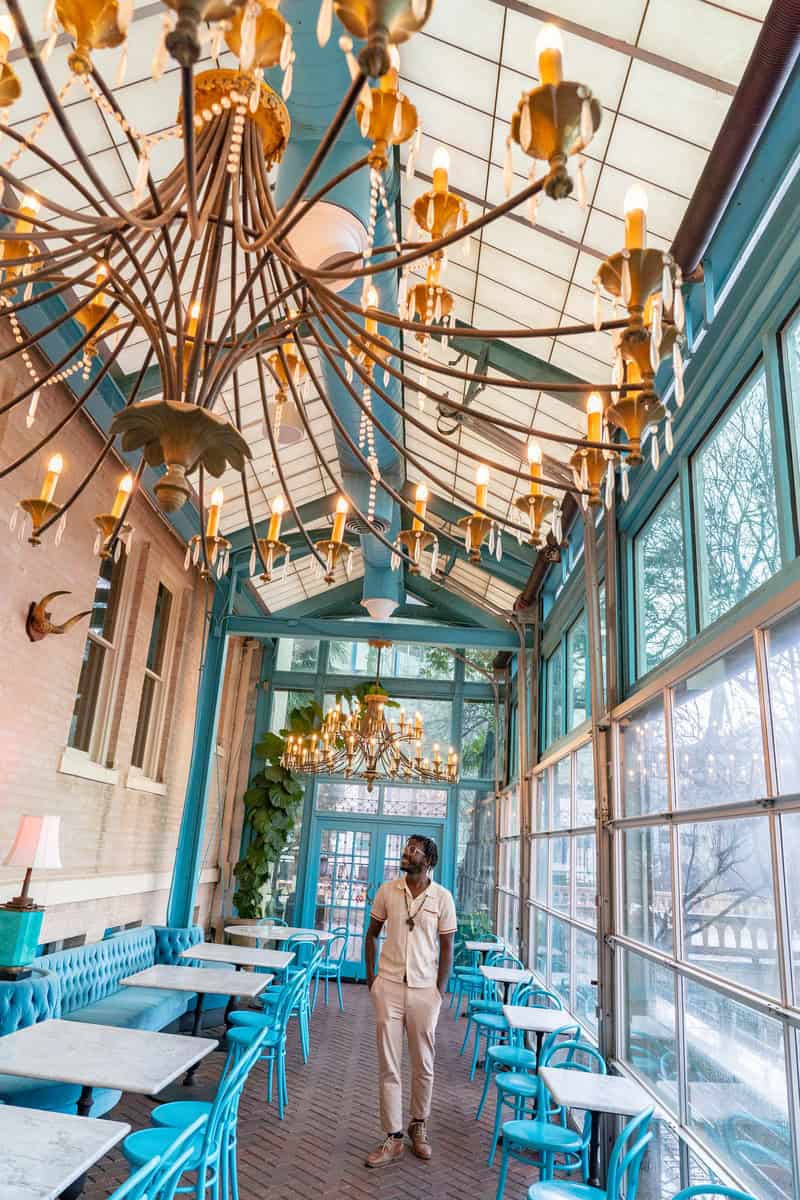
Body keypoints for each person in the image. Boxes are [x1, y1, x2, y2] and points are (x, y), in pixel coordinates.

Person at [364, 834, 456, 1168]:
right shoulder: (388, 891)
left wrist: (438, 991)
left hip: (424, 991)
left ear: (428, 860)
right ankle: (393, 1136)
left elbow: (447, 947)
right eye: (406, 848)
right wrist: (372, 979)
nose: (406, 853)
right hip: (388, 986)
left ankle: (419, 1125)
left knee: (423, 1063)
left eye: (413, 850)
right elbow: (371, 935)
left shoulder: (442, 898)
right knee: (389, 1065)